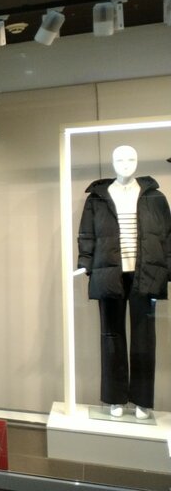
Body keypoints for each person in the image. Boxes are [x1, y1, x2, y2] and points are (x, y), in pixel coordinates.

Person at [77, 145, 171, 420]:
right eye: (120, 158)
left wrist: (168, 269)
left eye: (131, 158)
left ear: (138, 161)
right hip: (109, 273)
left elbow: (168, 235)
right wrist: (85, 264)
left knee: (144, 338)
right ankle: (114, 398)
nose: (126, 163)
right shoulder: (97, 198)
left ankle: (142, 401)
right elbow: (87, 234)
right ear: (112, 162)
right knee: (111, 336)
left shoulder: (156, 197)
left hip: (146, 273)